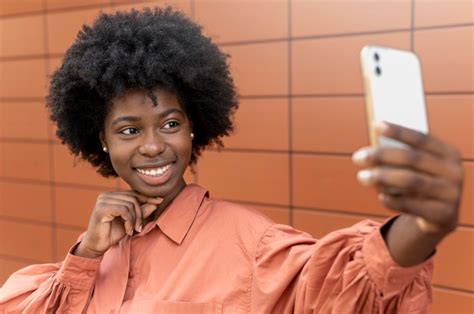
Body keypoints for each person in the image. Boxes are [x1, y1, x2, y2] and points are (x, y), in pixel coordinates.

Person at [0, 7, 464, 314]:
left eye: (170, 123)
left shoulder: (251, 244)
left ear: (195, 124)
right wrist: (85, 256)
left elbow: (341, 288)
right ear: (100, 142)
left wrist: (423, 226)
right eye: (128, 131)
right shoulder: (100, 245)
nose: (152, 146)